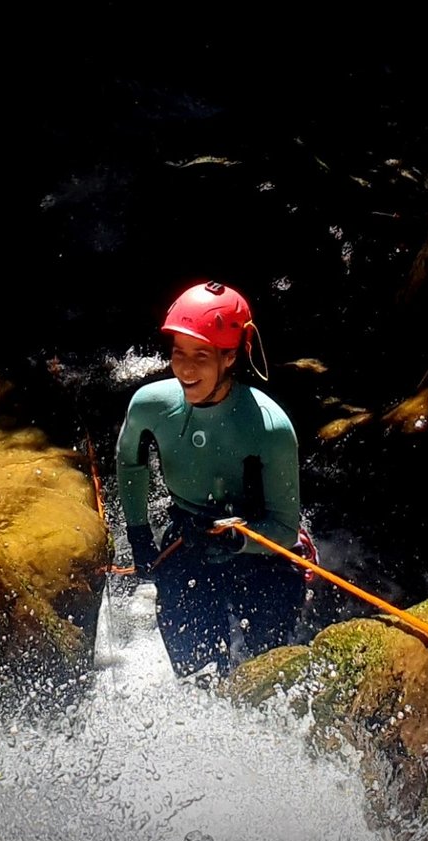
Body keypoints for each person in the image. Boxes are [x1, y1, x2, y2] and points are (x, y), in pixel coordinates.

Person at [115, 280, 308, 679]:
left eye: (200, 355)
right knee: (196, 672)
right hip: (188, 535)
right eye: (178, 353)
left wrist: (237, 539)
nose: (185, 368)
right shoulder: (149, 406)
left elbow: (285, 529)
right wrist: (138, 534)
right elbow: (129, 462)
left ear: (230, 356)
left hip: (258, 548)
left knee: (262, 673)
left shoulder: (269, 428)